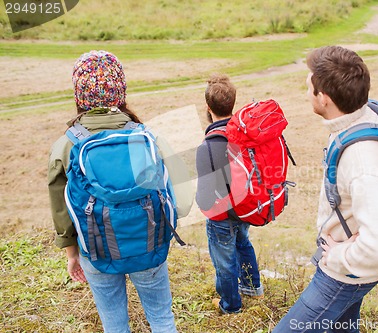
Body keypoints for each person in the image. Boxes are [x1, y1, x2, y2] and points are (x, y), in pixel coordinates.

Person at [48, 50, 193, 333]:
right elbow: (184, 202)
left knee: (114, 325)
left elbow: (61, 211)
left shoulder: (65, 146)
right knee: (162, 319)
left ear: (79, 94)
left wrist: (71, 253)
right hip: (149, 245)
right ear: (120, 89)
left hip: (96, 251)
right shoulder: (148, 136)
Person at [273, 46, 378, 332]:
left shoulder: (363, 160)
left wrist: (338, 257)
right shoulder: (361, 119)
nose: (306, 92)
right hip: (352, 270)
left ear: (324, 98)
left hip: (343, 276)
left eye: (309, 87)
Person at [195, 74, 264, 314]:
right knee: (243, 243)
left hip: (220, 217)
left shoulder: (207, 146)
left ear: (208, 107)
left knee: (224, 262)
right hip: (246, 208)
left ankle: (230, 305)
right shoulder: (244, 136)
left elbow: (204, 197)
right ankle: (252, 286)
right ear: (233, 103)